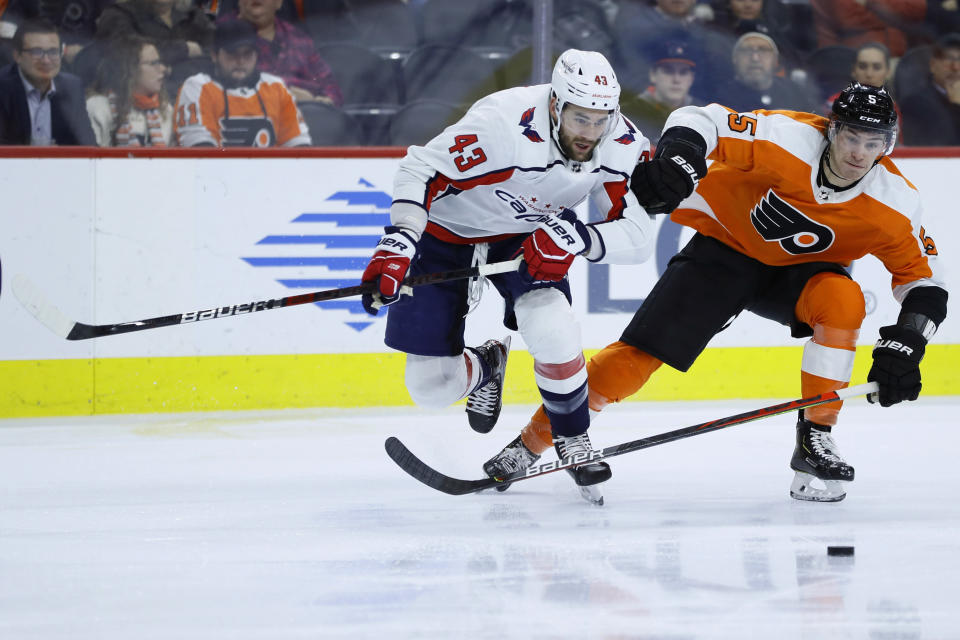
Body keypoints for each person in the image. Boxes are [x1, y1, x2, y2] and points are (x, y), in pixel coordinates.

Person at [487, 82, 947, 503]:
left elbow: (925, 281)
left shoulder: (894, 201)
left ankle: (816, 438)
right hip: (725, 252)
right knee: (635, 357)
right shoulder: (786, 138)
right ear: (830, 131)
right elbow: (701, 118)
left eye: (873, 143)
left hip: (801, 276)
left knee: (843, 301)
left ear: (887, 146)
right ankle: (530, 444)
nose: (859, 155)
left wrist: (909, 342)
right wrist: (678, 160)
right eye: (851, 138)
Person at [360, 50, 668, 502]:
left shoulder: (620, 142)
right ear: (556, 106)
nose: (591, 133)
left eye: (601, 119)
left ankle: (572, 437)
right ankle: (485, 366)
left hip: (527, 236)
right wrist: (403, 238)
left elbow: (639, 236)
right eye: (581, 119)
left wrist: (575, 238)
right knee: (430, 388)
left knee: (552, 324)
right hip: (448, 235)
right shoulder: (501, 126)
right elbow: (420, 168)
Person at [173, 18, 310, 147]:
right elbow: (201, 152)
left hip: (270, 171)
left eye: (247, 54)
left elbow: (299, 147)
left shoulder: (276, 87)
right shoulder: (196, 87)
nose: (241, 61)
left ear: (256, 56)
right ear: (214, 55)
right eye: (232, 53)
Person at [225, 0, 342, 105]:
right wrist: (285, 95)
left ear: (279, 3)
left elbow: (332, 89)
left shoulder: (299, 38)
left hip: (308, 119)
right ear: (239, 2)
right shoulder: (220, 35)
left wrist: (318, 102)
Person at [0, 18, 95, 145]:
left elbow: (87, 146)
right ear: (17, 56)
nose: (46, 60)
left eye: (53, 52)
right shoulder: (3, 88)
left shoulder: (72, 87)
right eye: (36, 52)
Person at [86, 36, 174, 146]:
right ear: (130, 69)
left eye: (160, 62)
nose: (162, 69)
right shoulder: (99, 107)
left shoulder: (165, 110)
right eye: (153, 63)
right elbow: (91, 159)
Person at [619, 40, 703, 145]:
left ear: (691, 79)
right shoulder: (626, 115)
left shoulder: (703, 116)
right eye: (668, 71)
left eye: (683, 72)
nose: (676, 79)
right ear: (653, 75)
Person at [713, 31, 817, 112]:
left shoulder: (794, 92)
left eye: (763, 50)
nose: (755, 57)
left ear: (775, 60)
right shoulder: (718, 95)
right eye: (746, 50)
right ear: (735, 58)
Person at [900, 33, 960, 146]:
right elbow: (944, 145)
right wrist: (956, 107)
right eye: (948, 59)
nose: (955, 67)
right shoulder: (915, 102)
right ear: (933, 65)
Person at [809, 0, 924, 58]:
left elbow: (918, 9)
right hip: (855, 62)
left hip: (898, 59)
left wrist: (871, 3)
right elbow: (846, 20)